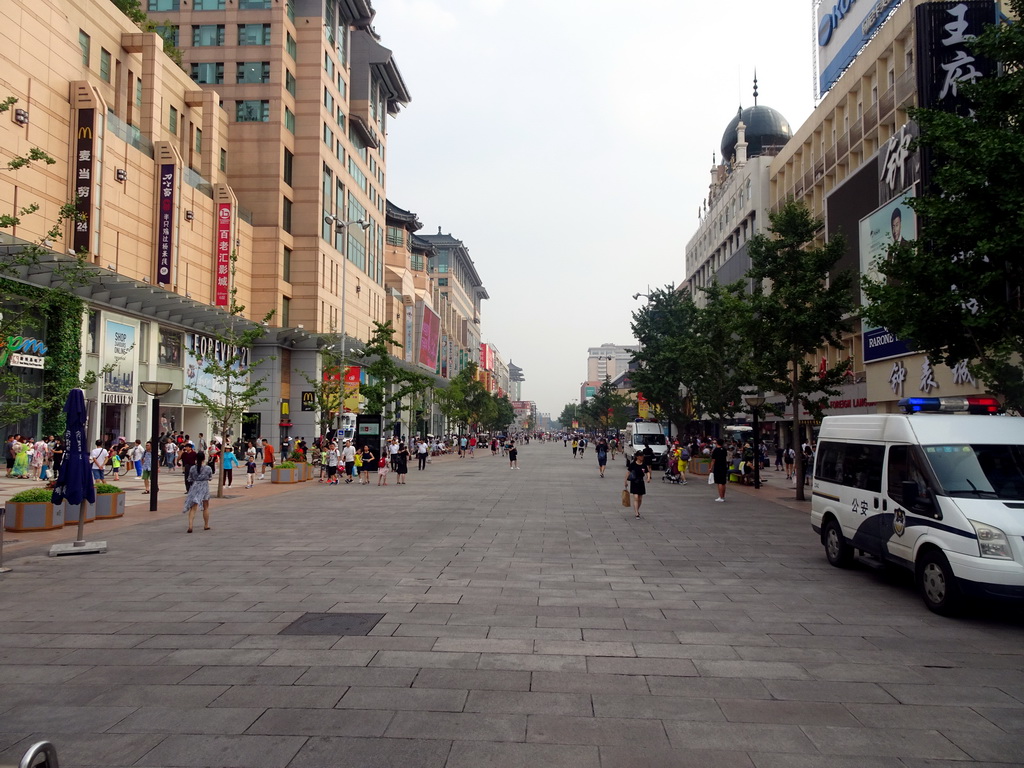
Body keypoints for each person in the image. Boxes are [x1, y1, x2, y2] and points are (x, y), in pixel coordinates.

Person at [183, 450, 214, 533]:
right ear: (204, 458)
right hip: (204, 487)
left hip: (195, 486)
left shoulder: (193, 468)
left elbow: (190, 478)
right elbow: (210, 477)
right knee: (206, 507)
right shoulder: (208, 468)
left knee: (193, 508)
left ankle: (190, 525)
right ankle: (206, 525)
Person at [625, 451, 651, 518]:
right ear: (637, 457)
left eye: (642, 456)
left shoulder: (644, 464)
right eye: (641, 456)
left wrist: (648, 478)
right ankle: (636, 512)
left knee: (640, 499)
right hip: (634, 482)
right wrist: (625, 481)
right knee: (636, 497)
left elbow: (647, 472)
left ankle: (637, 509)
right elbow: (628, 472)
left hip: (641, 482)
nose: (642, 457)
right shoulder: (633, 464)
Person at [711, 438, 728, 502]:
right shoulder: (724, 450)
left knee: (719, 482)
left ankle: (720, 497)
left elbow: (713, 460)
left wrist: (711, 467)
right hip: (724, 466)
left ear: (717, 443)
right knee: (723, 482)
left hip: (717, 466)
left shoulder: (715, 450)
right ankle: (723, 496)